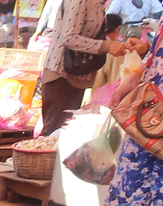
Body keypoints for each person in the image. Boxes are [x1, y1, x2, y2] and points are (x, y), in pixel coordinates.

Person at [99, 25, 163, 206]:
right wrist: (132, 78)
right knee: (121, 202)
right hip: (147, 118)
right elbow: (156, 54)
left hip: (150, 117)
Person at [40, 0, 134, 136]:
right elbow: (69, 38)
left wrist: (115, 46)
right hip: (61, 74)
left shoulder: (98, 4)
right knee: (53, 134)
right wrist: (107, 46)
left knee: (64, 133)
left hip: (78, 75)